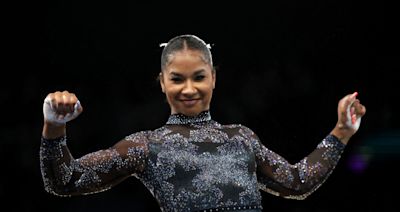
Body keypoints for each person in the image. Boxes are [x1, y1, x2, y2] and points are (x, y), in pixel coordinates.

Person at [40, 34, 366, 212]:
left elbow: (297, 182)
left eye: (199, 77)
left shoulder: (242, 138)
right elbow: (66, 181)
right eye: (177, 79)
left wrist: (342, 131)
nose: (189, 89)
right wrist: (54, 125)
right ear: (162, 83)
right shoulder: (145, 145)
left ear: (213, 79)